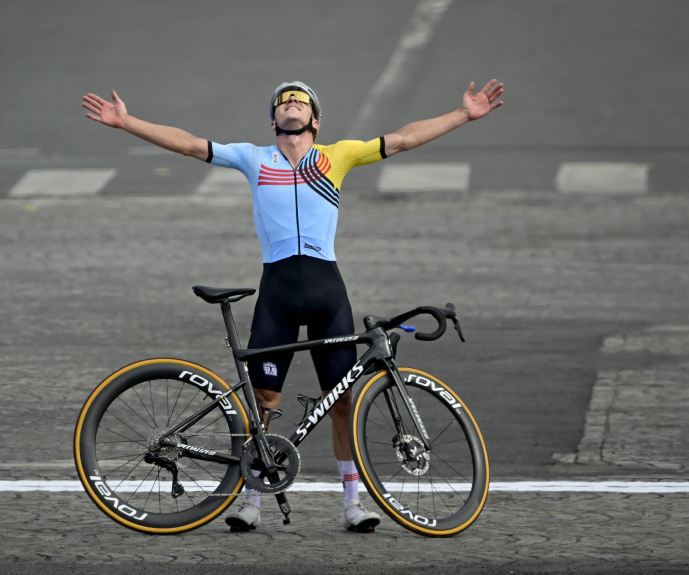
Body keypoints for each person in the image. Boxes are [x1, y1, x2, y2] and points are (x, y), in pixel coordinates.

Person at [82, 78, 503, 532]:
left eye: (301, 101)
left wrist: (462, 115)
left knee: (341, 402)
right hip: (277, 293)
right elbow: (188, 144)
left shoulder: (337, 155)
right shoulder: (253, 157)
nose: (292, 105)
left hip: (327, 293)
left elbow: (402, 139)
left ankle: (352, 504)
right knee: (263, 401)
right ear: (273, 120)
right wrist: (127, 123)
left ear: (315, 120)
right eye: (283, 101)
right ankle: (251, 500)